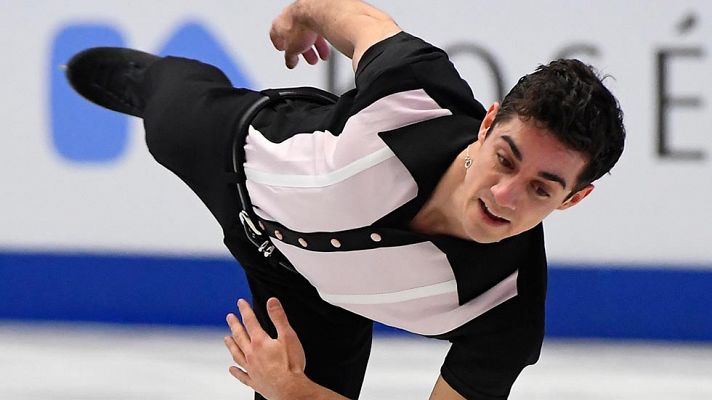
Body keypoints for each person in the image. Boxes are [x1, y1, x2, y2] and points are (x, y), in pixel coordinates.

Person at [64, 0, 625, 399]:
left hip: (308, 300)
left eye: (541, 188)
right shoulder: (415, 91)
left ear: (573, 200)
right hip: (242, 157)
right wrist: (303, 11)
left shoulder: (508, 310)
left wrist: (292, 391)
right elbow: (361, 21)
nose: (505, 194)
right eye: (506, 158)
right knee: (167, 113)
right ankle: (157, 78)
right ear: (486, 125)